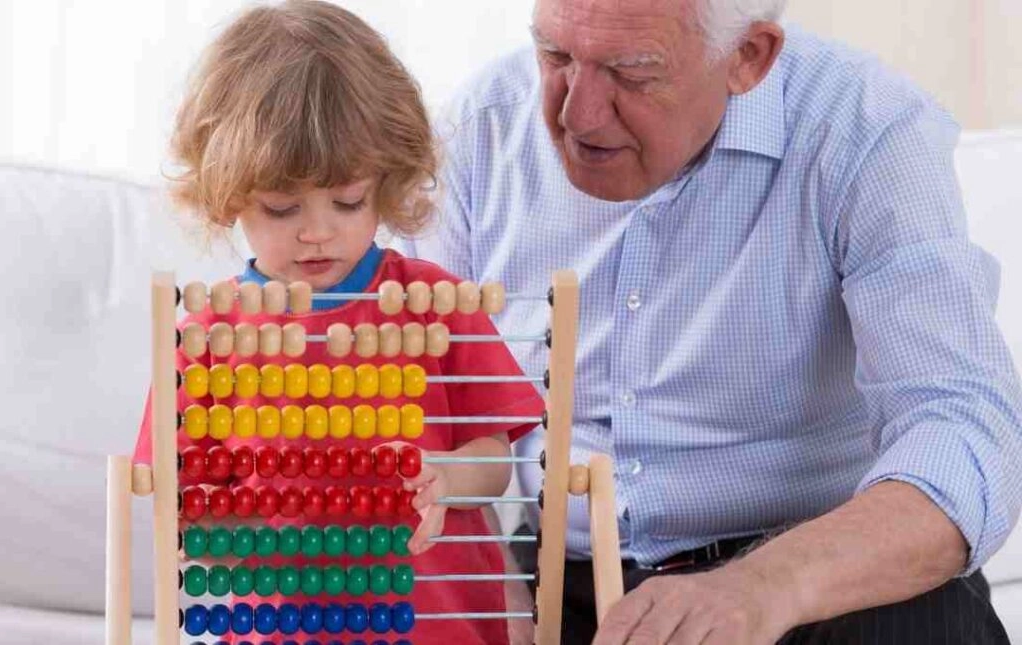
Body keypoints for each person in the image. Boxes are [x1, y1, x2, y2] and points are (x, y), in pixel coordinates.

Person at [403, 0, 1022, 642]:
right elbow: (429, 415)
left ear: (748, 58)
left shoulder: (866, 129)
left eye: (633, 74)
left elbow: (966, 433)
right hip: (564, 585)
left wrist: (764, 588)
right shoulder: (482, 129)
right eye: (556, 56)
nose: (575, 113)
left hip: (819, 584)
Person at [131, 2, 544, 643]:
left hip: (435, 627)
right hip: (281, 627)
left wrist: (445, 476)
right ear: (229, 193)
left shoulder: (436, 304)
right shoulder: (209, 334)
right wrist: (237, 540)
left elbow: (494, 461)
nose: (318, 232)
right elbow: (181, 503)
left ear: (387, 179)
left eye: (349, 201)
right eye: (281, 207)